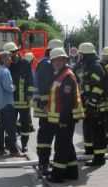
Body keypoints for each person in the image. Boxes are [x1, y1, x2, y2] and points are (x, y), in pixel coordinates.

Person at [45, 48, 84, 183]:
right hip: (61, 118)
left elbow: (67, 102)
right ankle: (72, 172)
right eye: (54, 60)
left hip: (64, 119)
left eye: (59, 60)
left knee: (61, 147)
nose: (56, 62)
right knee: (67, 145)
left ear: (65, 60)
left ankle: (57, 175)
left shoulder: (66, 76)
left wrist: (63, 120)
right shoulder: (60, 74)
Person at [34, 39, 64, 175]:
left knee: (45, 133)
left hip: (45, 105)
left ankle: (44, 162)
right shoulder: (47, 64)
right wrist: (46, 104)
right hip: (46, 106)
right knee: (46, 135)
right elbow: (45, 86)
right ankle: (43, 164)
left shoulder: (43, 62)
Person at [74, 42, 107, 166]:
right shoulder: (87, 66)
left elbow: (99, 87)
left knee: (97, 132)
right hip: (89, 104)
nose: (79, 57)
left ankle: (99, 158)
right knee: (88, 128)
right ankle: (90, 150)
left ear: (86, 55)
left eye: (81, 55)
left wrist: (92, 102)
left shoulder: (96, 67)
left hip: (96, 106)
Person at [4, 42, 35, 153]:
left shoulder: (26, 63)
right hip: (10, 100)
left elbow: (31, 80)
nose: (11, 57)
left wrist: (30, 94)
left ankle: (24, 144)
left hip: (24, 100)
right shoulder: (7, 65)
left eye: (12, 54)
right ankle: (8, 144)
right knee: (10, 123)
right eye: (8, 55)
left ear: (16, 52)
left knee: (25, 124)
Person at [0, 51, 23, 157]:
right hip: (7, 103)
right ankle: (14, 150)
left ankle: (0, 149)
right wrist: (14, 87)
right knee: (11, 127)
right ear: (4, 60)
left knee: (1, 126)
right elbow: (8, 87)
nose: (11, 60)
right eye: (9, 58)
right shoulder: (5, 71)